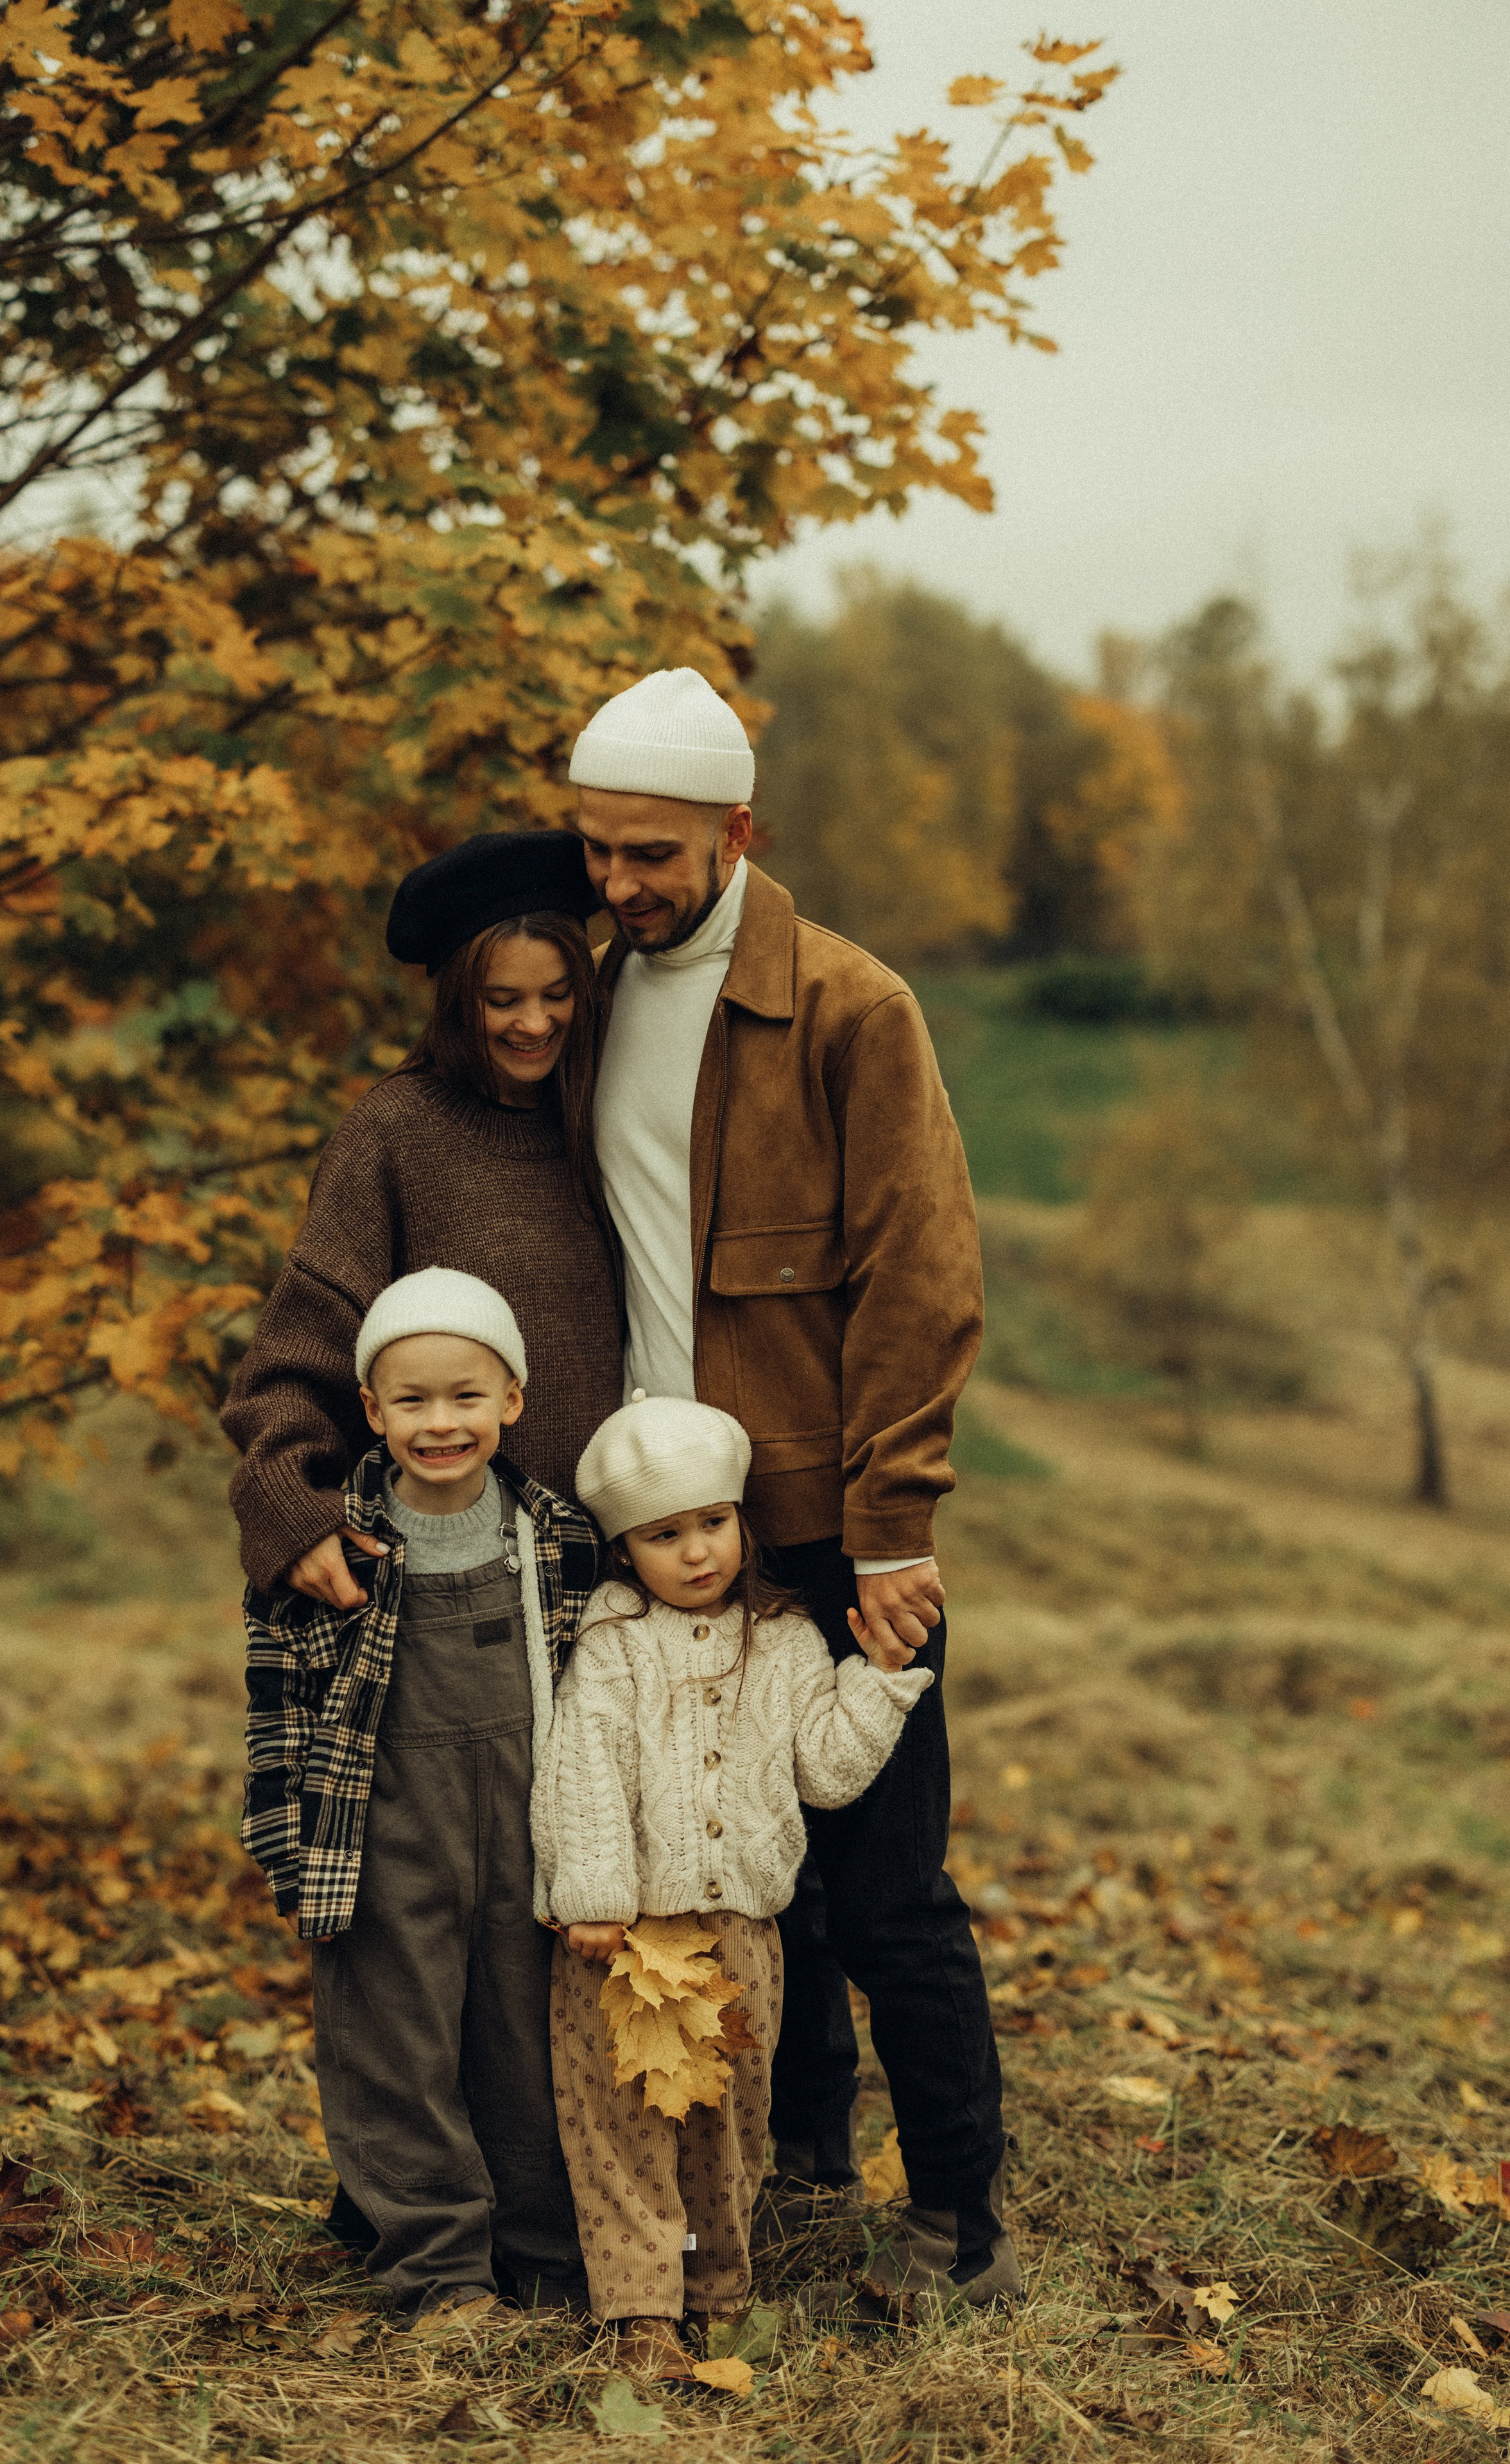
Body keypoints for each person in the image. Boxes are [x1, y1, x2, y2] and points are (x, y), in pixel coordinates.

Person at [568, 666, 1019, 2313]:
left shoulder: (844, 1004)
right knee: (742, 1865)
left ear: (735, 834)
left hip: (829, 1517)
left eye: (650, 853)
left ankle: (960, 2221)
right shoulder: (594, 996)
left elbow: (923, 1272)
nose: (615, 881)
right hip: (660, 1521)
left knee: (886, 1881)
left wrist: (895, 1522)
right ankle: (808, 2161)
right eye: (596, 847)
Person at [531, 1393, 929, 2381]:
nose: (697, 1551)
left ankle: (714, 2289)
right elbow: (583, 1762)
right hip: (628, 1934)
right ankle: (640, 2311)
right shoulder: (614, 1641)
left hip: (744, 1932)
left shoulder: (788, 1642)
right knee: (624, 2122)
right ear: (627, 1550)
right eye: (665, 1535)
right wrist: (592, 1893)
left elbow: (827, 1773)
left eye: (712, 1523)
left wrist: (875, 1680)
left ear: (742, 1519)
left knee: (728, 2123)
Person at [241, 1268, 603, 2325]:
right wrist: (286, 1848)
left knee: (525, 2047)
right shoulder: (328, 1544)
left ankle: (542, 2256)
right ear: (371, 1410)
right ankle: (439, 2273)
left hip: (525, 1833)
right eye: (412, 1401)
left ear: (513, 1400)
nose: (440, 1423)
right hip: (382, 1834)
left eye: (465, 1397)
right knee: (396, 2052)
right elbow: (279, 1709)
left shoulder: (557, 1538)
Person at [222, 828, 623, 1611]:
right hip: (451, 1580)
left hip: (613, 1576)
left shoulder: (606, 1120)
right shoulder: (393, 1136)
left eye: (556, 994)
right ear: (454, 999)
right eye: (502, 1000)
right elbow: (295, 1358)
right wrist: (289, 1511)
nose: (535, 1024)